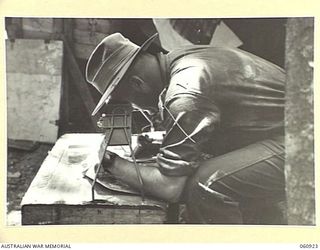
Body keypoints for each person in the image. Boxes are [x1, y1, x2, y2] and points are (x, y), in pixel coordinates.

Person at [85, 32, 286, 224]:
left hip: (303, 144)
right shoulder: (182, 57)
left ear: (137, 84)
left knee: (205, 185)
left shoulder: (184, 92)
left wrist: (112, 163)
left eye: (130, 102)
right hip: (287, 133)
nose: (137, 108)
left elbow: (170, 188)